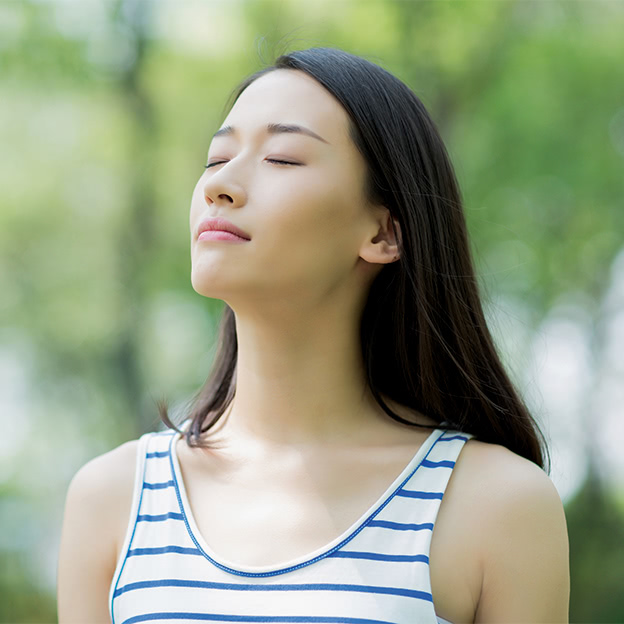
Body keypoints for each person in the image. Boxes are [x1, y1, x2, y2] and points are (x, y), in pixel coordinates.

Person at [57, 46, 570, 623]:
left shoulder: (497, 506)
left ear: (383, 233)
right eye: (215, 158)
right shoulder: (113, 500)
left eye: (282, 158)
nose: (219, 186)